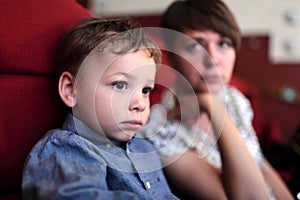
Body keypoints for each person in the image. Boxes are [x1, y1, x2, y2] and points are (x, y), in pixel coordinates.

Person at [142, 0, 294, 199]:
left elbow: (261, 165)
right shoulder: (160, 133)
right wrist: (211, 106)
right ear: (172, 56)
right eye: (195, 46)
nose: (213, 58)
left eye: (223, 44)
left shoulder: (232, 99)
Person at [22, 17, 179, 200]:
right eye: (120, 85)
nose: (141, 104)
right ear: (71, 90)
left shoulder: (144, 147)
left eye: (145, 90)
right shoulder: (67, 147)